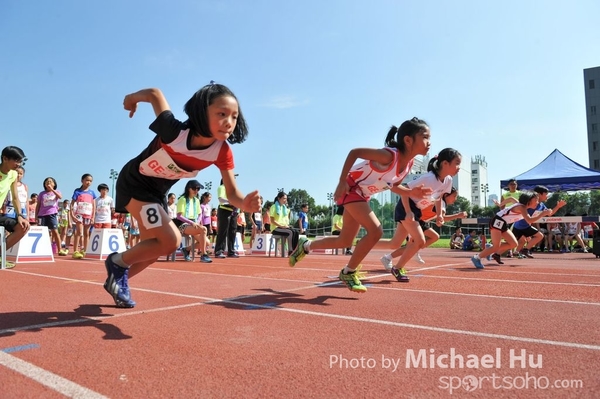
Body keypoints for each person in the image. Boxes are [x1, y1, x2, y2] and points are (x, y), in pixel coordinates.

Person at [105, 83, 260, 308]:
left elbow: (232, 192)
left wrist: (244, 203)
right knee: (171, 240)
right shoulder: (174, 132)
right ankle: (117, 262)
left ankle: (117, 280)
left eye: (234, 117)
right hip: (134, 184)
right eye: (221, 114)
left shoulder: (222, 151)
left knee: (154, 248)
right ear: (201, 111)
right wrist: (130, 98)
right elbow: (154, 94)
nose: (229, 122)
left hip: (156, 194)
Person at [289, 117, 432, 293]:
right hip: (351, 189)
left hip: (362, 195)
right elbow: (354, 152)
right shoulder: (389, 156)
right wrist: (342, 181)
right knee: (376, 230)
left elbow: (393, 185)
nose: (429, 142)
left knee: (345, 240)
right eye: (425, 137)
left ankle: (305, 245)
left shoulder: (407, 165)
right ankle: (349, 272)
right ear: (408, 140)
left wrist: (410, 192)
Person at [381, 148, 461, 282]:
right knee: (420, 240)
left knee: (394, 243)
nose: (459, 168)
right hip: (406, 207)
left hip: (416, 209)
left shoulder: (448, 180)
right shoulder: (428, 178)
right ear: (445, 164)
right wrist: (408, 212)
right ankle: (397, 268)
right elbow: (404, 190)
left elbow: (439, 197)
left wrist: (440, 214)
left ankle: (366, 243)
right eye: (457, 163)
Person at [381, 187, 468, 267]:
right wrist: (458, 215)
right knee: (402, 244)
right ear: (446, 194)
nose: (455, 199)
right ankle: (388, 257)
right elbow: (442, 218)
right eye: (454, 196)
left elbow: (440, 218)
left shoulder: (441, 202)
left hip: (420, 220)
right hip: (414, 218)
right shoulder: (440, 201)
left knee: (434, 237)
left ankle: (412, 250)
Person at [471, 191, 552, 269]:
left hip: (503, 223)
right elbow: (529, 220)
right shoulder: (521, 207)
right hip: (497, 221)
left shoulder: (521, 206)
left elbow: (510, 198)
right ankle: (476, 258)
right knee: (497, 246)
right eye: (536, 200)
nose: (537, 202)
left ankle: (490, 249)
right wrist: (542, 214)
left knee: (513, 244)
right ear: (529, 200)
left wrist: (500, 204)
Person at [513, 185, 566, 258]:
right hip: (518, 226)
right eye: (546, 194)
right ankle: (501, 252)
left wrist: (558, 206)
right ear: (539, 194)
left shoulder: (541, 205)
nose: (547, 196)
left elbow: (550, 213)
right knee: (517, 242)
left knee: (529, 239)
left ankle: (520, 252)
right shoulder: (530, 203)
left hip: (527, 226)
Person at [0, 146, 30, 268]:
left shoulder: (13, 174)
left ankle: (0, 255)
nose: (19, 164)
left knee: (22, 227)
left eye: (21, 161)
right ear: (5, 158)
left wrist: (20, 216)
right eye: (16, 160)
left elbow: (15, 197)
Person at [174, 180, 211, 263]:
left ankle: (186, 249)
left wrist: (197, 222)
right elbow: (179, 216)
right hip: (183, 225)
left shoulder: (196, 200)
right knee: (204, 229)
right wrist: (192, 223)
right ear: (188, 189)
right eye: (194, 188)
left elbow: (200, 214)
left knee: (207, 243)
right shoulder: (182, 199)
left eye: (198, 189)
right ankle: (203, 255)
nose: (196, 191)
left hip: (194, 224)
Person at [70, 174, 97, 259]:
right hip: (79, 215)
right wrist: (72, 215)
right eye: (87, 180)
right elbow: (72, 204)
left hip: (88, 215)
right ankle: (75, 251)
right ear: (82, 181)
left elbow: (94, 205)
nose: (88, 182)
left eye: (90, 181)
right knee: (79, 232)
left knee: (86, 233)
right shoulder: (77, 191)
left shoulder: (92, 193)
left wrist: (93, 217)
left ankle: (85, 250)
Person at [36, 177, 63, 255]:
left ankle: (60, 249)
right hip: (42, 215)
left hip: (52, 214)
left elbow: (60, 197)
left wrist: (52, 190)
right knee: (43, 232)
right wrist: (36, 216)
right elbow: (38, 205)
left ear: (54, 184)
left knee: (55, 231)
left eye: (51, 182)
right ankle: (43, 249)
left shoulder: (56, 192)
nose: (49, 183)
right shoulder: (42, 193)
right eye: (47, 182)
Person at [214, 178, 239, 259]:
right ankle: (219, 251)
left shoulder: (233, 190)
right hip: (225, 210)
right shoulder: (222, 187)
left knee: (233, 231)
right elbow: (221, 199)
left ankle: (231, 251)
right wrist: (230, 202)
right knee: (223, 231)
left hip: (234, 211)